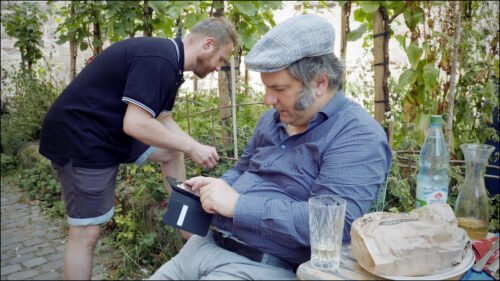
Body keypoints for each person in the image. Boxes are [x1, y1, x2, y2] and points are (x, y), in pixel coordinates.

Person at [149, 14, 392, 280]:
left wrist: (239, 205)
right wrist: (209, 190)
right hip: (203, 245)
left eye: (279, 88)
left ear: (320, 82)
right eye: (265, 87)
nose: (267, 99)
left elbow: (335, 225)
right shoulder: (274, 118)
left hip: (259, 266)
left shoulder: (356, 136)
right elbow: (243, 169)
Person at [38, 17, 238, 280]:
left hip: (109, 131)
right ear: (208, 44)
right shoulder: (160, 59)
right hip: (81, 138)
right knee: (86, 234)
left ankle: (188, 231)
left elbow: (162, 120)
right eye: (221, 59)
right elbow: (135, 123)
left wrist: (193, 146)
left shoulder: (171, 63)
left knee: (170, 150)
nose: (218, 67)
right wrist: (192, 146)